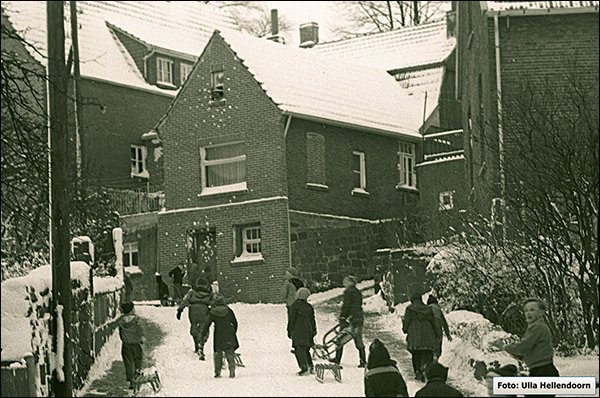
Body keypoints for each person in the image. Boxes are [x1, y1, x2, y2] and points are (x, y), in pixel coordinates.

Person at [494, 298, 559, 397]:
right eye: (526, 310)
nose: (528, 313)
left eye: (532, 310)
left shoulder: (538, 327)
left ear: (541, 312)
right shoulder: (536, 327)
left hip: (543, 372)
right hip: (540, 371)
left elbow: (522, 347)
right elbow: (526, 351)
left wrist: (503, 346)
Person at [402, 290, 439, 381]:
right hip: (428, 335)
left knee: (416, 355)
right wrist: (437, 333)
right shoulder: (428, 309)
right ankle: (426, 370)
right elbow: (434, 323)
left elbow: (406, 323)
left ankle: (418, 371)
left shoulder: (410, 309)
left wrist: (405, 329)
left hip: (415, 336)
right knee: (427, 354)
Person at [330, 275, 366, 367]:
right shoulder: (358, 292)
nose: (344, 283)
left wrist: (342, 316)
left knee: (340, 337)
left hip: (349, 318)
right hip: (358, 316)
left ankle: (337, 359)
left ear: (350, 282)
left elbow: (346, 305)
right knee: (358, 338)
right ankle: (363, 360)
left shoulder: (348, 292)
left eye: (345, 282)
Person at [202, 293, 239, 378]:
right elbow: (235, 322)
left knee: (218, 353)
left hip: (219, 333)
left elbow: (207, 324)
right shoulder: (228, 310)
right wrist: (234, 332)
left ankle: (217, 372)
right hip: (229, 332)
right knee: (229, 351)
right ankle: (232, 369)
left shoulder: (213, 312)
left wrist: (203, 335)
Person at [177, 277, 213, 360]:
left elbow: (185, 301)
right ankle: (201, 345)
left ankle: (196, 343)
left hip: (193, 311)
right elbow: (214, 302)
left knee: (194, 326)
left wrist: (180, 309)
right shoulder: (209, 293)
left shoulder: (192, 292)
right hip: (204, 310)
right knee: (203, 329)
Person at [287, 287, 316, 376]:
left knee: (299, 348)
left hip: (298, 329)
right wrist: (314, 330)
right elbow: (312, 319)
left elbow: (292, 319)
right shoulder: (309, 306)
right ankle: (310, 365)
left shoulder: (295, 306)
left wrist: (289, 329)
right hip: (308, 329)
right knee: (306, 348)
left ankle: (303, 367)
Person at [117, 301, 145, 390]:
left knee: (128, 362)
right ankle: (138, 372)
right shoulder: (136, 319)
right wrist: (141, 337)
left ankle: (130, 381)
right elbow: (139, 329)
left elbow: (120, 333)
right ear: (132, 310)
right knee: (137, 358)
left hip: (126, 345)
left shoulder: (122, 321)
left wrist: (124, 339)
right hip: (136, 344)